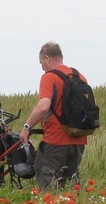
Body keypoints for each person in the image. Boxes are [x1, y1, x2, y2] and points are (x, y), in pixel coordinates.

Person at [19, 41, 88, 190]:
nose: (42, 67)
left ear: (47, 58)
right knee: (68, 185)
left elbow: (43, 107)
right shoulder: (80, 77)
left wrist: (27, 127)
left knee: (47, 181)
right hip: (79, 140)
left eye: (41, 63)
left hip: (56, 139)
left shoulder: (49, 77)